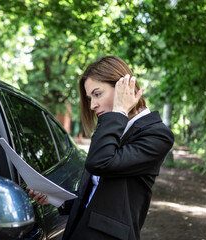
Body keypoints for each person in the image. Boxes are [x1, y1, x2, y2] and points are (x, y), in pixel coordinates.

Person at [28, 56, 174, 240]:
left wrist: (120, 111)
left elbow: (100, 163)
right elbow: (95, 193)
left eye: (97, 94)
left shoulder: (157, 135)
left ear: (123, 88)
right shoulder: (112, 126)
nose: (92, 105)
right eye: (90, 98)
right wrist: (55, 198)